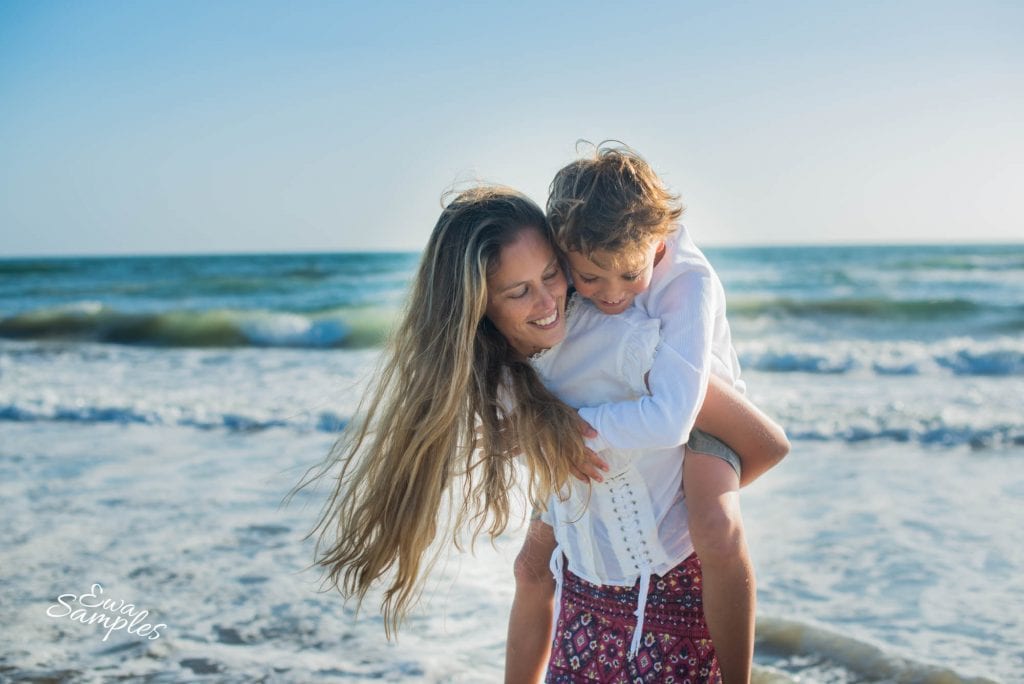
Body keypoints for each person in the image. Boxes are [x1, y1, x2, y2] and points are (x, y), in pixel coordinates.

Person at [506, 143, 786, 683]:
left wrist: (580, 430)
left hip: (705, 415)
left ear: (656, 243)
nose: (610, 295)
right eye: (589, 279)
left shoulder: (688, 280)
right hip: (633, 410)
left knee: (716, 526)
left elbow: (675, 418)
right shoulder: (584, 264)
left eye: (630, 277)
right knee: (531, 561)